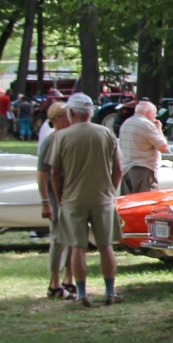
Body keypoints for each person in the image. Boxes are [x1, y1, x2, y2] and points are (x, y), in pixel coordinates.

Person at [49, 93, 123, 306]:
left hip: (73, 200)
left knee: (77, 247)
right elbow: (118, 168)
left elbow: (54, 171)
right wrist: (111, 189)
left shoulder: (62, 136)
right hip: (103, 198)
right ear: (91, 112)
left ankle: (82, 293)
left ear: (71, 113)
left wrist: (60, 194)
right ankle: (110, 291)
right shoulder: (106, 133)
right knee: (105, 246)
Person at [37, 102, 78, 298]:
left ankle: (69, 278)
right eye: (65, 116)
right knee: (58, 239)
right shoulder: (50, 141)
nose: (69, 120)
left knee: (73, 239)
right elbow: (42, 174)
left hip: (71, 195)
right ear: (56, 120)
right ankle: (53, 283)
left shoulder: (69, 139)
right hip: (56, 198)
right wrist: (45, 201)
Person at [117, 100, 170, 195]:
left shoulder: (126, 123)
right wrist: (159, 129)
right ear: (149, 113)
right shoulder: (146, 125)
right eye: (155, 114)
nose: (155, 117)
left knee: (129, 204)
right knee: (145, 204)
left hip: (126, 169)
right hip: (143, 169)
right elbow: (164, 147)